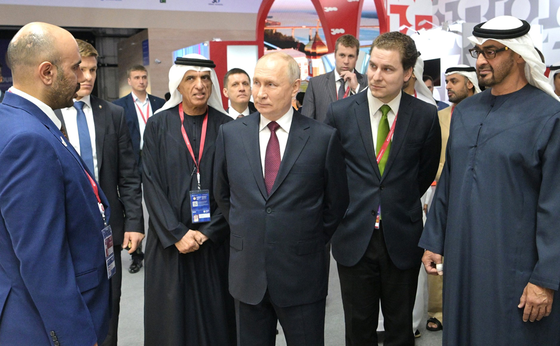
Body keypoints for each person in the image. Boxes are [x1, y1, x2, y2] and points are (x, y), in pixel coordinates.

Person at [420, 15, 560, 345]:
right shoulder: (467, 112)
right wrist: (434, 241)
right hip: (463, 262)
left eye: (492, 52)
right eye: (477, 51)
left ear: (517, 55)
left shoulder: (549, 116)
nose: (481, 60)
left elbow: (556, 204)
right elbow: (450, 181)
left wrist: (546, 279)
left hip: (517, 268)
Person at [214, 52, 349, 346]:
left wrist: (307, 237)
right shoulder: (230, 135)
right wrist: (248, 228)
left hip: (301, 274)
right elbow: (222, 194)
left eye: (271, 85)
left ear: (294, 87)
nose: (260, 93)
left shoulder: (322, 138)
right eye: (256, 83)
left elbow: (336, 202)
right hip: (247, 273)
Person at [325, 32, 441, 345]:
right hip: (354, 236)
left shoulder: (426, 117)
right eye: (373, 66)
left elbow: (424, 172)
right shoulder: (340, 114)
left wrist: (394, 201)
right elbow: (332, 175)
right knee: (358, 327)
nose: (376, 76)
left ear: (407, 73)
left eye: (387, 69)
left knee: (400, 327)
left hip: (401, 236)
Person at [0, 22, 111, 345]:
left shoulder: (20, 120)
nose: (82, 77)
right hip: (42, 323)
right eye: (75, 67)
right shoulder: (27, 139)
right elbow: (42, 259)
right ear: (47, 73)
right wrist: (74, 336)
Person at [54, 39, 144, 346]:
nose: (88, 76)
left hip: (109, 229)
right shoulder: (49, 116)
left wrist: (134, 222)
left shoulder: (113, 114)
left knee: (110, 304)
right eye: (81, 68)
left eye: (93, 69)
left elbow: (129, 175)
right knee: (69, 304)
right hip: (64, 227)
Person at [142, 54, 235, 345]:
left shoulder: (229, 127)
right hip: (170, 243)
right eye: (191, 78)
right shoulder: (158, 125)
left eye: (205, 78)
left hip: (214, 243)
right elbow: (151, 184)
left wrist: (208, 232)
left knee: (216, 317)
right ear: (178, 85)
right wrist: (178, 233)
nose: (199, 85)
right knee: (172, 322)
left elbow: (237, 189)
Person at [424, 65, 481, 334]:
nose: (448, 86)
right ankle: (437, 310)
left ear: (470, 84)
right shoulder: (440, 116)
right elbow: (434, 156)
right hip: (440, 189)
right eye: (446, 81)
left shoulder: (486, 112)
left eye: (454, 81)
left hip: (477, 194)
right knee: (437, 250)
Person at [113, 65, 165, 274]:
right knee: (133, 207)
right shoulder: (119, 107)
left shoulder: (159, 103)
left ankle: (160, 246)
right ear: (129, 80)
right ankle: (136, 254)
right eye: (137, 77)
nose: (141, 81)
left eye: (144, 77)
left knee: (157, 203)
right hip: (132, 161)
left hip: (155, 161)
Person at [302, 34, 367, 122]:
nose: (346, 61)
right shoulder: (316, 84)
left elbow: (370, 116)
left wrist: (356, 89)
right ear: (335, 55)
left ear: (357, 58)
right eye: (342, 55)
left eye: (351, 56)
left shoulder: (368, 82)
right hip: (325, 135)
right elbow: (306, 123)